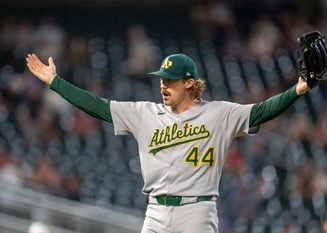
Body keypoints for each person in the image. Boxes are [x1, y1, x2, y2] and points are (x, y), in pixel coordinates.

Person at [26, 53, 310, 233]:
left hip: (196, 211)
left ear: (189, 83)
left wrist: (298, 89)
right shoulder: (144, 114)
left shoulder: (218, 113)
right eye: (161, 79)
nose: (163, 85)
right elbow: (97, 106)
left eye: (170, 81)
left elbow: (262, 111)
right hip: (156, 211)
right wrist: (56, 82)